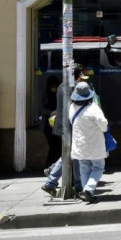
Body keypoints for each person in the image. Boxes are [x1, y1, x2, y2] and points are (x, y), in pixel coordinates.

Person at [41, 64, 87, 197]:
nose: (81, 80)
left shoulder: (62, 86)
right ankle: (51, 180)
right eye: (80, 77)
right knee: (70, 153)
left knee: (73, 153)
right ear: (77, 76)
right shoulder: (72, 88)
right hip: (69, 126)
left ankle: (76, 184)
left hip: (63, 125)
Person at [68, 82, 108, 203]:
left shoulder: (72, 108)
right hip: (94, 145)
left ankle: (86, 191)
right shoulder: (93, 109)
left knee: (84, 169)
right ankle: (89, 189)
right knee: (98, 167)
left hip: (79, 145)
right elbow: (104, 126)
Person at [40, 75, 61, 167]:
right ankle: (50, 165)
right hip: (47, 124)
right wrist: (51, 112)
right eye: (52, 87)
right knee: (53, 146)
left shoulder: (59, 93)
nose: (54, 89)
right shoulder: (44, 94)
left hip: (58, 122)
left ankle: (54, 166)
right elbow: (41, 108)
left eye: (56, 87)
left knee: (58, 146)